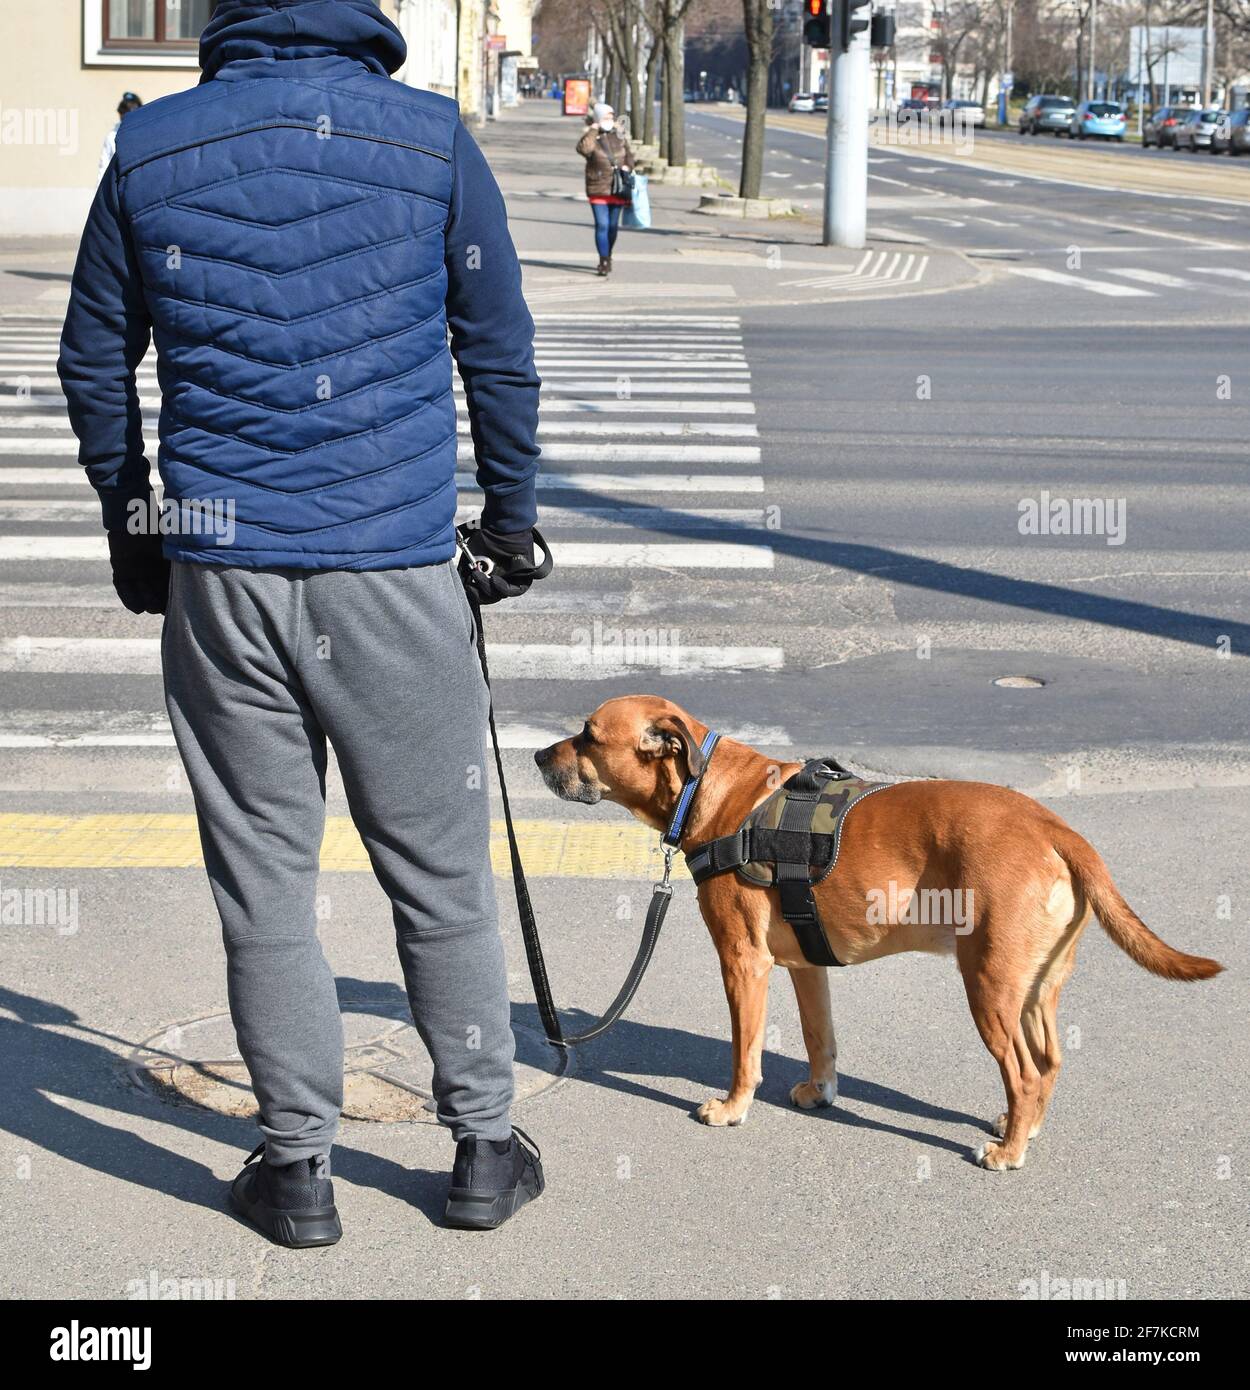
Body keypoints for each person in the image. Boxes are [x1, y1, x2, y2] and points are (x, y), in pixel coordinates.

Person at [58, 0, 547, 1247]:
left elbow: (92, 359)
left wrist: (135, 524)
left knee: (264, 884)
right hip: (390, 569)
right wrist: (509, 518)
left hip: (222, 571)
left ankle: (294, 1172)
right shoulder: (431, 141)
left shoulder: (150, 146)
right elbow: (496, 343)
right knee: (438, 878)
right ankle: (483, 1149)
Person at [576, 101, 634, 276]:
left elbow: (630, 156)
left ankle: (608, 253)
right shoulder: (592, 136)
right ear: (598, 118)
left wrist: (627, 167)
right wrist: (594, 129)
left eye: (611, 117)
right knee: (602, 225)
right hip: (598, 188)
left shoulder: (619, 136)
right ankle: (603, 260)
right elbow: (584, 149)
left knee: (612, 227)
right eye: (605, 117)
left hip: (618, 188)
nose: (609, 120)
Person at [97, 92, 142, 183]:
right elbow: (104, 166)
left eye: (131, 111)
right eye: (123, 111)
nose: (126, 115)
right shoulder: (112, 136)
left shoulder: (144, 133)